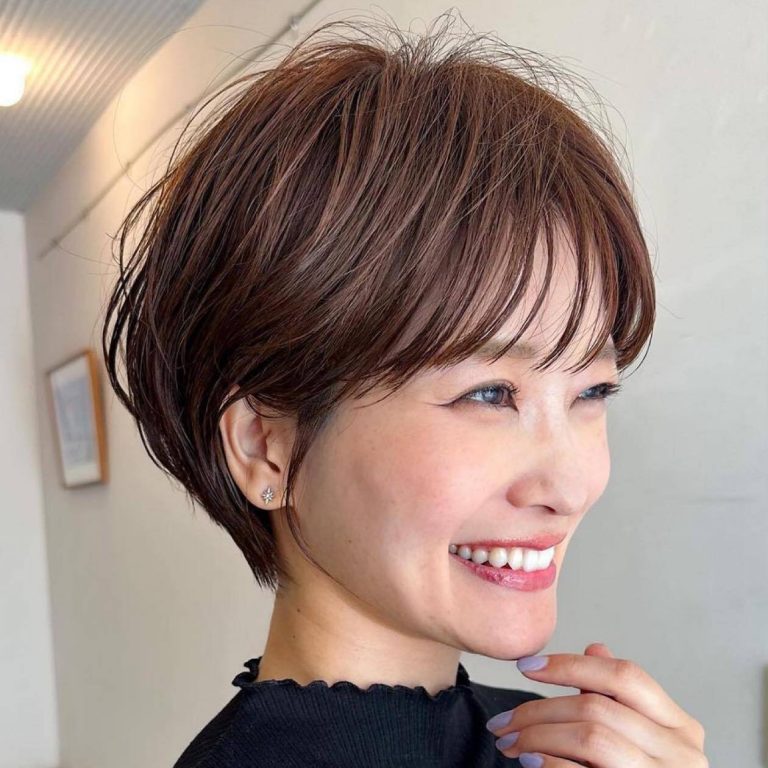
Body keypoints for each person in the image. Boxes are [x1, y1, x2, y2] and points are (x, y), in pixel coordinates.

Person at [102, 12, 708, 768]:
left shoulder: (555, 743)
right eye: (491, 394)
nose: (572, 485)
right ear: (264, 445)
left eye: (592, 393)